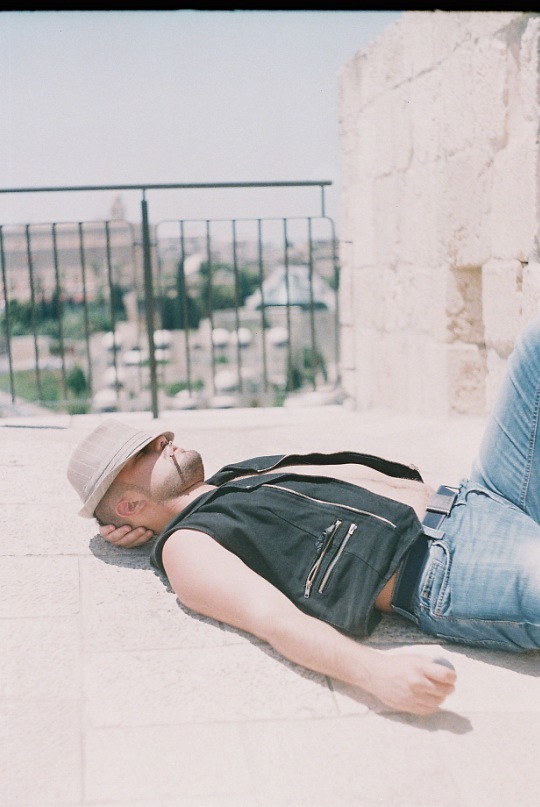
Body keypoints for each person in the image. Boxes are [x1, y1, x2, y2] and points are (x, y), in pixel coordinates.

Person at [67, 315, 540, 716]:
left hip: (480, 494)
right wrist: (377, 673)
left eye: (154, 438)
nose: (163, 440)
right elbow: (272, 619)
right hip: (447, 565)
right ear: (129, 506)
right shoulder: (186, 546)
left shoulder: (235, 478)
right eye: (145, 452)